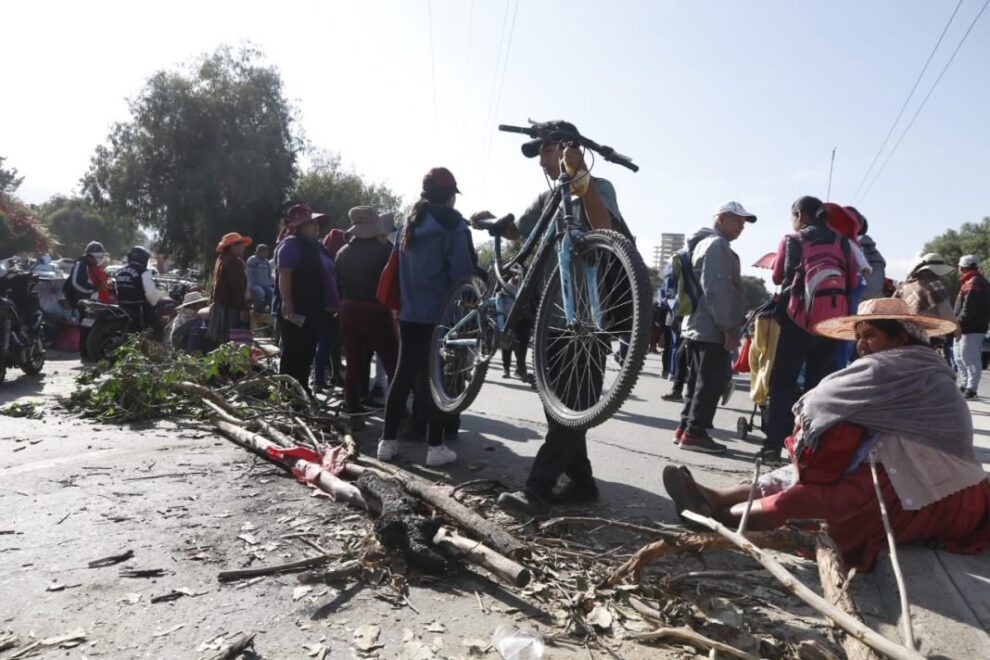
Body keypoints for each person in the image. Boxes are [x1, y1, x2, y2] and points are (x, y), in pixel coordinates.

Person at [662, 298, 990, 570]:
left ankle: (720, 517)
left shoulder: (891, 367)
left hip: (933, 490)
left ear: (899, 339)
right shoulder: (923, 366)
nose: (861, 345)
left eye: (871, 335)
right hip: (936, 480)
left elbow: (815, 403)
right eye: (859, 336)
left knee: (811, 502)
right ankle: (713, 498)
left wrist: (806, 436)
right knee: (797, 476)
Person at [490, 120, 628, 514]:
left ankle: (537, 489)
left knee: (574, 404)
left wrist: (579, 174)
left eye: (547, 152)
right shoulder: (546, 200)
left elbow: (604, 226)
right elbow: (520, 232)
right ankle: (582, 483)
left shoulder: (598, 188)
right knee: (560, 407)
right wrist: (493, 223)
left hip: (587, 322)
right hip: (548, 321)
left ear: (567, 148)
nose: (542, 163)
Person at [377, 167, 477, 467]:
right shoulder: (454, 226)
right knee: (435, 380)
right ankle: (435, 447)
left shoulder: (410, 223)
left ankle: (387, 442)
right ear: (449, 197)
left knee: (402, 376)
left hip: (408, 313)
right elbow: (462, 275)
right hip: (441, 316)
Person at [762, 197, 858, 465]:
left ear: (799, 215)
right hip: (830, 326)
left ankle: (772, 448)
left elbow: (778, 276)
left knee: (782, 384)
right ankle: (811, 449)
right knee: (818, 388)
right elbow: (851, 281)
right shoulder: (842, 243)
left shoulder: (792, 240)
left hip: (798, 321)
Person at [672, 201, 755, 454]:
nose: (741, 227)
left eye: (743, 223)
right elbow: (717, 289)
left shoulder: (704, 243)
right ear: (720, 219)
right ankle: (695, 434)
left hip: (696, 324)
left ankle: (685, 428)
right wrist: (729, 328)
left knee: (696, 382)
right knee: (709, 384)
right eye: (737, 221)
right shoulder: (718, 246)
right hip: (711, 327)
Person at [334, 206, 399, 421]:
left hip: (348, 309)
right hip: (376, 310)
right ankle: (400, 414)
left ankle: (351, 405)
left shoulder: (342, 252)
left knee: (353, 361)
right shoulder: (384, 252)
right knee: (391, 362)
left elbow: (337, 283)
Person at [274, 204, 339, 398]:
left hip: (314, 308)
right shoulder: (290, 244)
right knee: (293, 350)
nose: (316, 226)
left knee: (308, 349)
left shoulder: (317, 246)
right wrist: (287, 301)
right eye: (310, 223)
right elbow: (284, 273)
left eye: (315, 222)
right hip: (295, 308)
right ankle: (287, 392)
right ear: (298, 226)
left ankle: (302, 388)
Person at [954, 254, 990, 399]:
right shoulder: (973, 281)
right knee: (960, 358)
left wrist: (957, 325)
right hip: (969, 327)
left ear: (961, 268)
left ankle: (971, 389)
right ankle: (965, 385)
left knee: (970, 360)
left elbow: (968, 310)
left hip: (970, 328)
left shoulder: (972, 283)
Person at [115, 246, 167, 340]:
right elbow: (151, 295)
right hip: (139, 308)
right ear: (143, 258)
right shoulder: (144, 272)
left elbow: (117, 289)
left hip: (122, 306)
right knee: (159, 327)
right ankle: (153, 351)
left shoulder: (120, 271)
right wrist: (155, 303)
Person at [208, 232, 252, 344]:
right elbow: (237, 288)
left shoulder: (221, 259)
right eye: (241, 245)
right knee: (234, 343)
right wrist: (243, 308)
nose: (244, 248)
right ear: (233, 246)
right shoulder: (233, 262)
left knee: (222, 342)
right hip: (231, 309)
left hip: (221, 306)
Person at [246, 243, 274, 314]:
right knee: (261, 292)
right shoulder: (252, 260)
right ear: (259, 252)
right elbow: (249, 273)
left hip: (265, 285)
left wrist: (270, 282)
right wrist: (250, 285)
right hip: (255, 284)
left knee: (272, 292)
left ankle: (269, 311)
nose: (265, 253)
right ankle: (256, 309)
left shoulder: (266, 261)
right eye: (263, 251)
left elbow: (269, 274)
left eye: (266, 251)